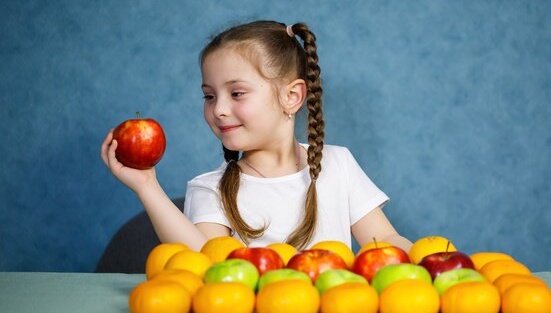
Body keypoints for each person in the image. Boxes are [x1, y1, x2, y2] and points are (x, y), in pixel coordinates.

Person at [101, 20, 412, 252]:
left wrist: (426, 261)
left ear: (292, 97)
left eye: (237, 93)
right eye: (209, 96)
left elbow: (384, 239)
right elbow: (203, 264)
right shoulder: (210, 189)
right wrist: (147, 187)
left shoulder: (339, 165)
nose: (219, 109)